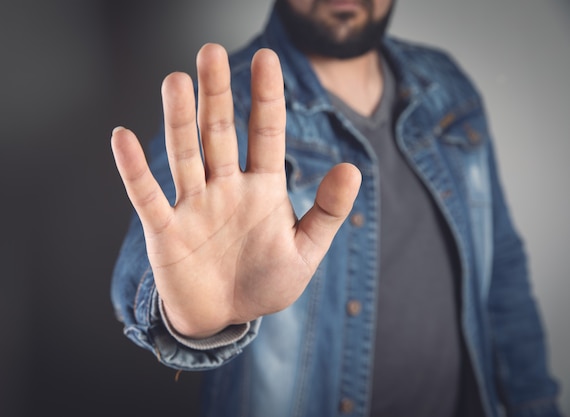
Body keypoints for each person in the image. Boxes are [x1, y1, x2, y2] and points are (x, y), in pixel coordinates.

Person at [110, 0, 562, 416]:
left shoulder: (446, 86)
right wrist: (190, 320)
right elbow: (156, 256)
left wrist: (536, 403)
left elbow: (501, 275)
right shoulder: (226, 107)